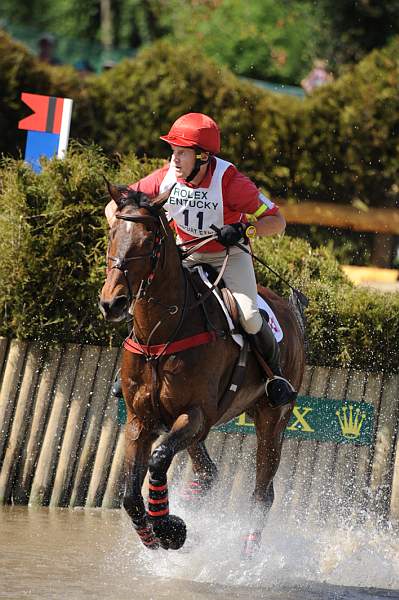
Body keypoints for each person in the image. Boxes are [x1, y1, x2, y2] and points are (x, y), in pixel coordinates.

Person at [105, 113, 296, 406]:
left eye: (182, 153)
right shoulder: (166, 176)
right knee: (146, 301)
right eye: (174, 151)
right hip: (185, 253)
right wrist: (123, 229)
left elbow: (278, 220)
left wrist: (247, 228)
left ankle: (274, 376)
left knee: (248, 314)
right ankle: (133, 371)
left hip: (227, 257)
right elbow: (113, 207)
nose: (175, 159)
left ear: (203, 156)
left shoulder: (231, 182)